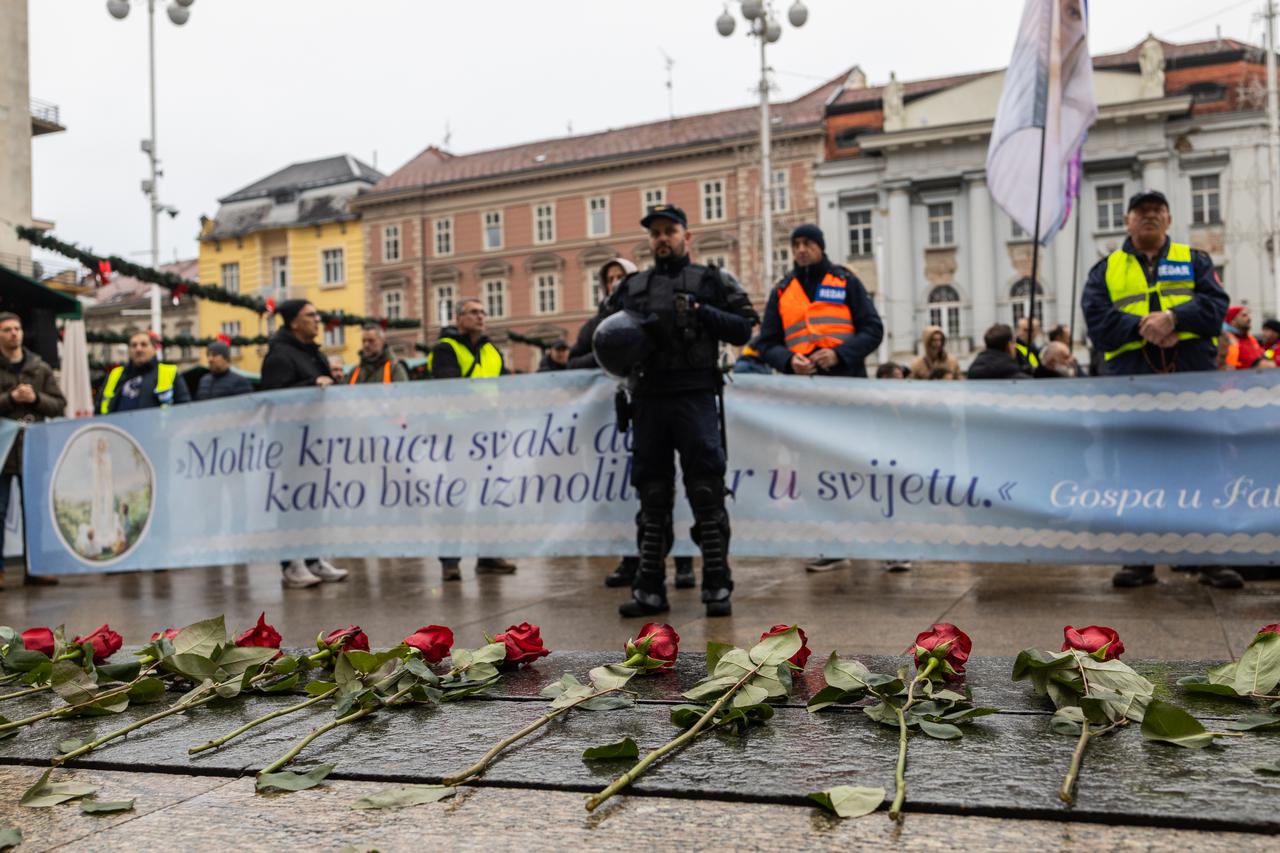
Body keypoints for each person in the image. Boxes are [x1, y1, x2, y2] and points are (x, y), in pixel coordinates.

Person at [595, 203, 758, 617]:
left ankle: (717, 585)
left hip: (695, 394)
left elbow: (744, 326)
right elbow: (601, 334)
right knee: (652, 493)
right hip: (648, 397)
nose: (661, 238)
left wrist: (702, 312)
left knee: (705, 489)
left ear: (687, 237)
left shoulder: (713, 279)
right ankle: (649, 587)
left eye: (669, 230)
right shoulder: (632, 287)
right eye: (655, 233)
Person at [1080, 189, 1236, 589]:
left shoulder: (1195, 260)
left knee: (1201, 466)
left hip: (1189, 379)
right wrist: (1143, 327)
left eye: (1157, 210)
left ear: (1168, 219)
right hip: (1132, 382)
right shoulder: (1105, 269)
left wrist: (1173, 318)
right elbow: (1097, 324)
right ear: (1127, 221)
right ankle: (1140, 559)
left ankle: (1209, 558)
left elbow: (1216, 307)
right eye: (1141, 211)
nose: (1149, 216)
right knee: (1135, 469)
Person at [260, 299, 349, 588]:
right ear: (294, 322)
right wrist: (311, 385)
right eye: (310, 315)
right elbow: (274, 398)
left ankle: (313, 558)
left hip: (316, 440)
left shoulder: (314, 354)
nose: (317, 319)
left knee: (312, 501)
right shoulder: (279, 355)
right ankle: (291, 563)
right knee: (292, 503)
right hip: (291, 443)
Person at [429, 297, 518, 581]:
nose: (480, 316)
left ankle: (488, 556)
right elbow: (451, 387)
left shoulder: (492, 350)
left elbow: (503, 386)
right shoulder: (446, 348)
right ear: (458, 319)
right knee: (456, 498)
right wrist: (487, 407)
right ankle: (450, 561)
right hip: (460, 435)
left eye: (483, 312)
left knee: (489, 497)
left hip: (490, 436)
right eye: (473, 312)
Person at [756, 224, 884, 377]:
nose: (801, 249)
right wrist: (789, 361)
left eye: (807, 243)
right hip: (800, 385)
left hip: (846, 380)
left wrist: (839, 354)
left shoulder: (845, 281)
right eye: (796, 245)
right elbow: (765, 344)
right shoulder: (781, 291)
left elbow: (873, 330)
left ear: (821, 247)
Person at [0, 312, 67, 586]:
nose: (13, 333)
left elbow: (59, 404)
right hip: (2, 451)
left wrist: (36, 398)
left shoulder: (40, 368)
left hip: (33, 451)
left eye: (17, 328)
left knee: (35, 511)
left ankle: (35, 568)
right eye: (6, 330)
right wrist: (10, 398)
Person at [99, 331, 190, 414]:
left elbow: (184, 409)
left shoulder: (169, 372)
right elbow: (99, 409)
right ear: (129, 350)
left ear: (154, 349)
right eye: (134, 345)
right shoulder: (115, 375)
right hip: (118, 430)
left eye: (144, 345)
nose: (138, 349)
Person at [967, 324, 1032, 379]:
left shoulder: (973, 372)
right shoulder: (1017, 377)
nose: (1015, 346)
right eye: (1013, 342)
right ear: (1009, 345)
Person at [1221, 305, 1267, 370]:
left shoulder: (1250, 338)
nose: (1249, 318)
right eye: (1244, 315)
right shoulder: (1226, 340)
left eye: (1248, 315)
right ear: (1232, 320)